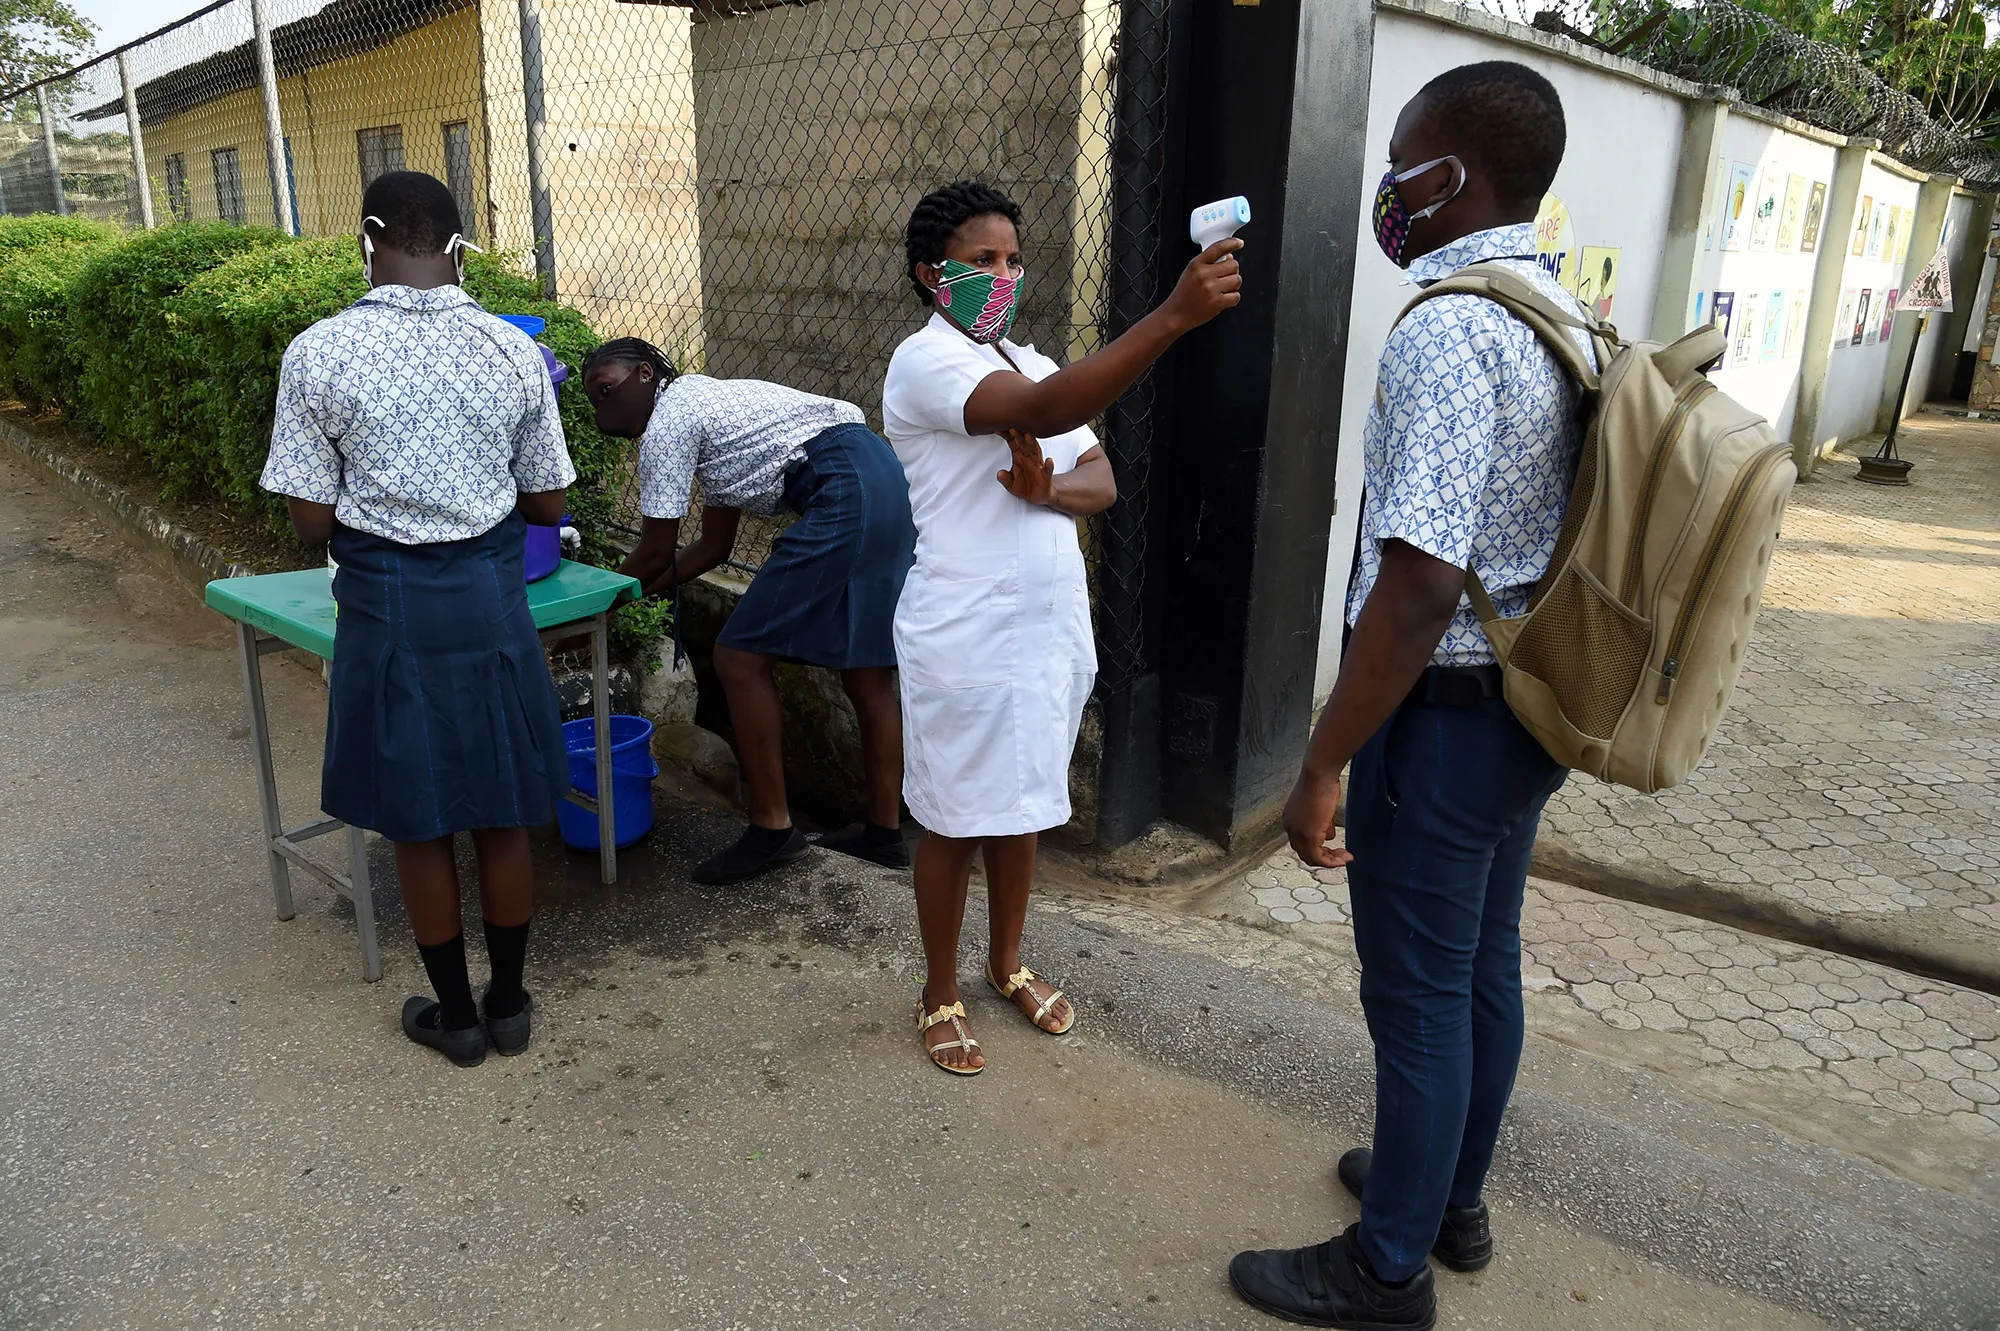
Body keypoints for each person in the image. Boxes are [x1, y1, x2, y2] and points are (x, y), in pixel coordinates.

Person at [1228, 63, 1588, 1329]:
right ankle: (1449, 1198)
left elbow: (1418, 581)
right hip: (1520, 716)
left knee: (1417, 1001)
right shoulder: (1560, 310)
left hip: (1434, 726)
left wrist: (1325, 756)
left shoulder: (1446, 323)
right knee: (1481, 965)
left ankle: (1385, 1269)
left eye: (1399, 161)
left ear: (1451, 175)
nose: (1386, 185)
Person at [885, 180, 1242, 1075]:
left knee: (1021, 809)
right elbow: (1044, 418)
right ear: (934, 275)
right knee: (954, 818)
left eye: (1011, 258)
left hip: (1043, 628)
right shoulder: (926, 364)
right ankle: (939, 988)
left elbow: (1100, 479)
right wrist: (1168, 318)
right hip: (965, 627)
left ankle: (1006, 963)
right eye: (980, 261)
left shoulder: (1031, 358)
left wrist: (1048, 489)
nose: (1003, 273)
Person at [260, 171, 576, 1068]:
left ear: (368, 240)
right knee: (502, 808)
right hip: (489, 598)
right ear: (459, 246)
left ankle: (455, 1019)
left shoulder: (317, 352)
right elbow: (548, 502)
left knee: (420, 815)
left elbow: (312, 520)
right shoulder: (511, 350)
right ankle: (509, 1003)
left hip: (385, 605)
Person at [581, 340, 917, 884]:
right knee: (867, 670)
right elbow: (711, 549)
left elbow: (651, 552)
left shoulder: (671, 418)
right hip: (883, 479)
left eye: (606, 391)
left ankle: (771, 829)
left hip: (842, 488)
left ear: (646, 375)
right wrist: (633, 596)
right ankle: (883, 835)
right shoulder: (710, 410)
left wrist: (599, 609)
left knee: (737, 658)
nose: (602, 411)